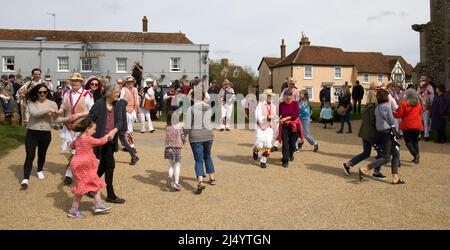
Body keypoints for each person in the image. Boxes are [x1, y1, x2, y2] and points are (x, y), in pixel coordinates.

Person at [67, 117, 116, 219]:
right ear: (87, 129)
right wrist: (108, 136)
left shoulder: (79, 138)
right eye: (93, 129)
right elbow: (101, 141)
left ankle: (98, 205)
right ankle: (73, 210)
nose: (95, 131)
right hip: (84, 166)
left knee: (91, 183)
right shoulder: (88, 139)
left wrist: (75, 152)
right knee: (83, 188)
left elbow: (71, 146)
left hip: (76, 164)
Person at [89, 83, 125, 204]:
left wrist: (113, 131)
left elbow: (120, 122)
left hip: (109, 140)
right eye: (116, 92)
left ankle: (91, 185)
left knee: (107, 164)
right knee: (109, 164)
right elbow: (90, 119)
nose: (118, 94)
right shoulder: (99, 104)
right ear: (109, 93)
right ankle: (110, 194)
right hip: (98, 140)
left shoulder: (118, 104)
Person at [359, 89, 403, 185]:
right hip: (387, 133)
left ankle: (395, 176)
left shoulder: (377, 108)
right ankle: (366, 168)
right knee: (386, 157)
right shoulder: (387, 107)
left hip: (380, 133)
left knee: (395, 153)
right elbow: (391, 121)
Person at [20, 84, 59, 189]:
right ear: (36, 92)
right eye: (40, 92)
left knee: (42, 154)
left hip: (46, 133)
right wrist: (49, 110)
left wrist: (68, 119)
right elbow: (34, 114)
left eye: (45, 92)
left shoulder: (53, 103)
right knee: (30, 155)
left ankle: (40, 170)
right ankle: (25, 178)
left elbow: (56, 120)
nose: (42, 94)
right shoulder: (31, 102)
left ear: (47, 93)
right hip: (32, 132)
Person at [58, 73, 94, 186]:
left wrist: (78, 115)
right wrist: (57, 112)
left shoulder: (87, 94)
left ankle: (69, 174)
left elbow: (91, 110)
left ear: (81, 82)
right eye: (73, 80)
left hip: (80, 125)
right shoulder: (66, 93)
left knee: (77, 151)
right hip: (68, 126)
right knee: (71, 149)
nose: (74, 83)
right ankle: (72, 172)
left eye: (77, 81)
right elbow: (62, 107)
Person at [341, 90, 386, 180]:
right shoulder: (373, 108)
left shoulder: (367, 107)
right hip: (371, 135)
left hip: (365, 133)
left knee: (366, 153)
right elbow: (373, 122)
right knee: (382, 153)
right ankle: (376, 172)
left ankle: (348, 164)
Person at [184, 84, 216, 194]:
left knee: (198, 160)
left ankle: (201, 181)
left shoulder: (191, 109)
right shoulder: (208, 108)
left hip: (196, 136)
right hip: (208, 135)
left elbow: (187, 126)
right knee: (208, 156)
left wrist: (183, 136)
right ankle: (212, 178)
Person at [393, 88, 423, 163]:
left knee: (408, 141)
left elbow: (399, 115)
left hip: (407, 125)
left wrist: (392, 113)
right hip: (417, 124)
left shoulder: (404, 104)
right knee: (415, 141)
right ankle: (416, 156)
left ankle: (415, 154)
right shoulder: (418, 104)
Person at [253, 89, 278, 168]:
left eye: (270, 95)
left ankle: (263, 160)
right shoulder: (260, 105)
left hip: (269, 128)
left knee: (268, 144)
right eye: (268, 95)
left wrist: (276, 119)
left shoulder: (273, 106)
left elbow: (275, 116)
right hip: (260, 127)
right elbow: (257, 115)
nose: (269, 97)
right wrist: (265, 118)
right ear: (265, 96)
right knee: (260, 145)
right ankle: (256, 150)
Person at [164, 111, 186, 192]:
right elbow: (182, 136)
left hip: (168, 147)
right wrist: (184, 141)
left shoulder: (166, 127)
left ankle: (170, 177)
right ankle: (176, 182)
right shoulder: (179, 127)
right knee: (177, 165)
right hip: (177, 148)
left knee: (171, 165)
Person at [278, 90, 301, 168]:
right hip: (285, 126)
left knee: (292, 144)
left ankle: (290, 154)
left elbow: (295, 115)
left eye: (289, 96)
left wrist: (286, 118)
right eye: (286, 96)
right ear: (284, 96)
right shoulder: (281, 104)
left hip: (294, 126)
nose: (287, 97)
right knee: (285, 142)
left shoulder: (295, 104)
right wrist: (280, 118)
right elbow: (279, 114)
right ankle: (285, 160)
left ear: (292, 96)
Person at [122, 76, 140, 152]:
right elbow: (121, 100)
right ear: (126, 83)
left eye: (132, 82)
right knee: (127, 129)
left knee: (129, 129)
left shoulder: (135, 89)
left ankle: (130, 146)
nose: (130, 83)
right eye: (129, 82)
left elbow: (137, 101)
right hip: (126, 110)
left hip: (132, 111)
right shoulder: (123, 89)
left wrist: (137, 111)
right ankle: (129, 145)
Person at [418, 77, 434, 141]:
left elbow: (432, 97)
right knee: (419, 121)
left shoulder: (430, 88)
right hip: (419, 107)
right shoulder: (419, 89)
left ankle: (426, 135)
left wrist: (429, 105)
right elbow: (417, 96)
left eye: (423, 80)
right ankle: (419, 135)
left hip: (426, 107)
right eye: (421, 81)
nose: (422, 82)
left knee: (425, 121)